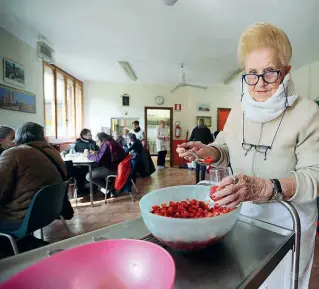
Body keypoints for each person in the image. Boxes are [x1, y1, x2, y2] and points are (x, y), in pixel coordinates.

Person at [177, 23, 319, 289]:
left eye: (270, 73)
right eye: (252, 74)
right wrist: (207, 151)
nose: (260, 83)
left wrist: (266, 187)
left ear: (286, 71)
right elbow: (226, 149)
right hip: (243, 215)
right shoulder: (239, 110)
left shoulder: (308, 113)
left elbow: (315, 177)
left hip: (288, 221)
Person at [0, 122, 72, 224]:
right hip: (50, 210)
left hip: (21, 215)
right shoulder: (53, 152)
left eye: (13, 138)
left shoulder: (14, 153)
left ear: (19, 137)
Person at [87, 133, 126, 197]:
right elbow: (107, 154)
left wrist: (88, 156)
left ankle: (109, 189)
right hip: (120, 167)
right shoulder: (111, 142)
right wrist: (97, 153)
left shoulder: (106, 145)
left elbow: (99, 160)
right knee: (96, 169)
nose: (96, 143)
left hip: (114, 169)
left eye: (97, 141)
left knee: (88, 176)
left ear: (102, 140)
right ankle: (110, 189)